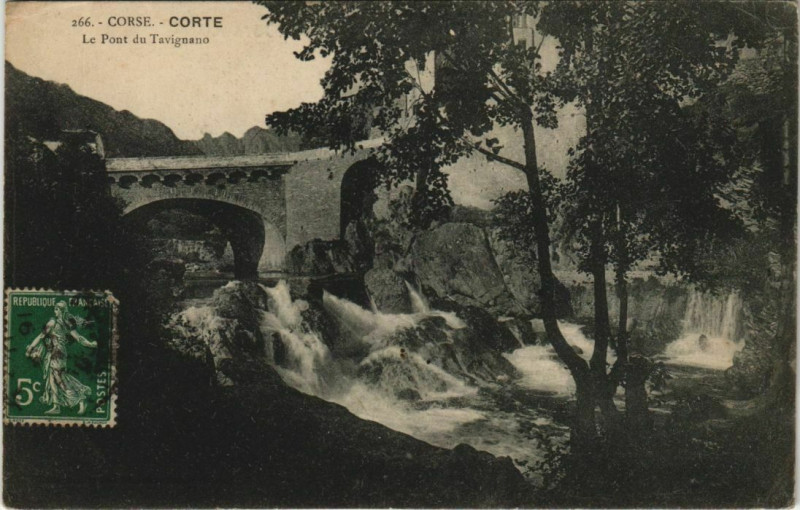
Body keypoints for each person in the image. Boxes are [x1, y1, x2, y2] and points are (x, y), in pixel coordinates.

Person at [25, 301, 97, 415]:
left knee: (58, 379)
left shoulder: (53, 322)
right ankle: (56, 405)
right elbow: (79, 338)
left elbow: (40, 336)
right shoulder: (65, 323)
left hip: (57, 353)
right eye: (55, 309)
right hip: (58, 352)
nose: (55, 311)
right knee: (54, 378)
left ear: (60, 311)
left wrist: (30, 349)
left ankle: (80, 399)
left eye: (57, 309)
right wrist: (90, 344)